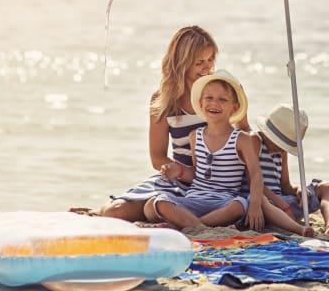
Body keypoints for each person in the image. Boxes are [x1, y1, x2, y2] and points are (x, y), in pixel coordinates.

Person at [91, 25, 228, 221]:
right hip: (179, 178)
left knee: (155, 210)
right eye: (199, 62)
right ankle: (100, 210)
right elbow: (157, 157)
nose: (207, 67)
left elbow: (244, 137)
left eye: (210, 59)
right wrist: (180, 172)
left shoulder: (221, 93)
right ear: (182, 63)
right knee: (116, 211)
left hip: (218, 181)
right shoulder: (164, 99)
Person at [145, 70, 265, 230]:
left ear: (234, 107)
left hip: (224, 202)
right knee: (158, 203)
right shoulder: (195, 136)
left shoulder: (242, 139)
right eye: (209, 98)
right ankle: (202, 226)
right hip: (194, 199)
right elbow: (197, 173)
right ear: (201, 104)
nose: (214, 103)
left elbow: (256, 174)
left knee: (240, 205)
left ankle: (191, 225)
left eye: (222, 99)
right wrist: (178, 171)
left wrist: (255, 204)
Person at [252, 104, 329, 237]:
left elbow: (285, 185)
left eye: (287, 145)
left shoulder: (281, 152)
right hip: (264, 203)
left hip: (283, 202)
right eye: (280, 143)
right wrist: (282, 205)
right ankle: (293, 225)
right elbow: (252, 181)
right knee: (265, 204)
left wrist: (298, 189)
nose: (283, 148)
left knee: (328, 187)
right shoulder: (255, 142)